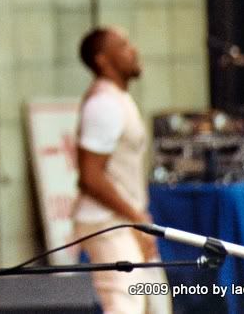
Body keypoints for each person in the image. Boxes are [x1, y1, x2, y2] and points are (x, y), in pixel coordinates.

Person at [72, 27, 172, 314]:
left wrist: (138, 220)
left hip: (128, 220)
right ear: (103, 60)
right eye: (124, 45)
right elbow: (90, 177)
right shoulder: (103, 104)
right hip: (108, 223)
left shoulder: (118, 98)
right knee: (125, 306)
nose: (134, 50)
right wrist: (135, 216)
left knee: (157, 305)